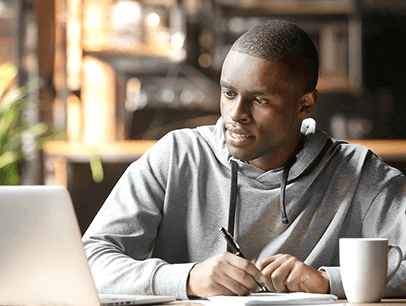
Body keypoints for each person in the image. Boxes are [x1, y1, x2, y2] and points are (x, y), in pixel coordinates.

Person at [82, 19, 406, 300]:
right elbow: (89, 260)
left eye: (260, 100)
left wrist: (327, 281)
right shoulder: (176, 156)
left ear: (305, 104)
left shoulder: (360, 173)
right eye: (228, 93)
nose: (235, 115)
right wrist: (188, 278)